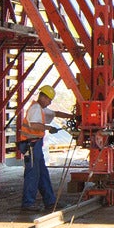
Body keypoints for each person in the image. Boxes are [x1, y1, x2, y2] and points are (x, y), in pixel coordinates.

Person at [19, 85, 69, 213]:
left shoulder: (41, 109)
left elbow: (56, 113)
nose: (50, 103)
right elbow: (35, 124)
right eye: (49, 100)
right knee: (33, 174)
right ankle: (28, 203)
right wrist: (49, 128)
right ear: (43, 97)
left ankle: (50, 202)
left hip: (36, 145)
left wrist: (73, 116)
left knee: (42, 174)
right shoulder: (36, 108)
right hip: (30, 144)